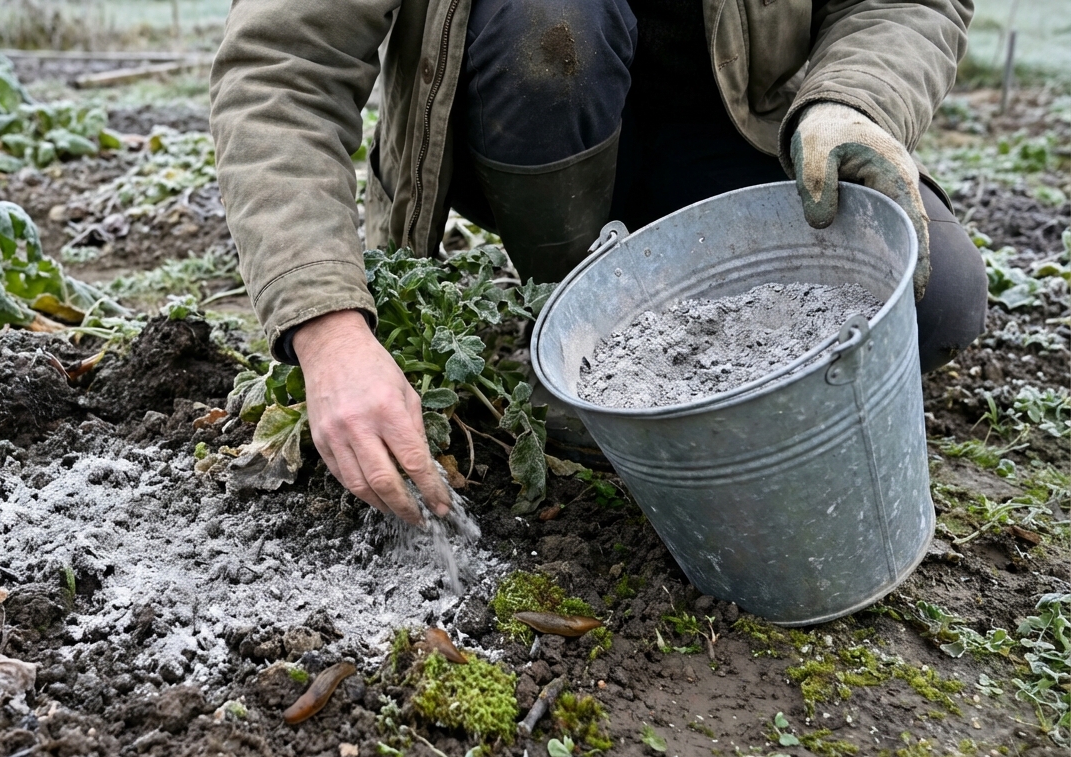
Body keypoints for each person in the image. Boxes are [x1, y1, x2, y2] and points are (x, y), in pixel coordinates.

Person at [208, 0, 986, 525]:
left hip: (733, 136)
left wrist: (854, 101)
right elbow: (281, 67)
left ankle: (675, 349)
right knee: (552, 24)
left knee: (935, 296)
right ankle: (572, 331)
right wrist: (328, 331)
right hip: (529, 130)